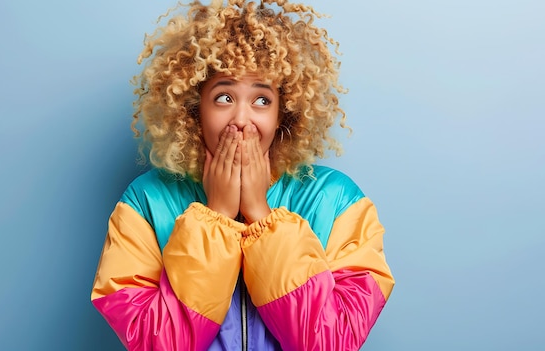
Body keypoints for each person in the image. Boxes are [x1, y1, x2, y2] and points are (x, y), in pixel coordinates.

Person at [90, 0, 395, 350]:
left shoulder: (339, 202)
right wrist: (216, 216)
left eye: (262, 100)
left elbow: (330, 342)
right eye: (223, 97)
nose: (241, 119)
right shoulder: (144, 204)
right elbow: (159, 344)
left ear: (284, 113)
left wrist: (260, 215)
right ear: (194, 110)